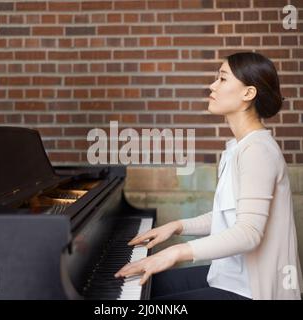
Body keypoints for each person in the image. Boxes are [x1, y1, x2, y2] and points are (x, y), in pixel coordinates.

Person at [115, 52, 303, 300]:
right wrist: (177, 226)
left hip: (252, 290)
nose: (212, 86)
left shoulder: (257, 151)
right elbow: (231, 215)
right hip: (228, 276)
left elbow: (249, 233)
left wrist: (175, 253)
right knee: (139, 287)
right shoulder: (239, 147)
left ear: (248, 93)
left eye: (222, 79)